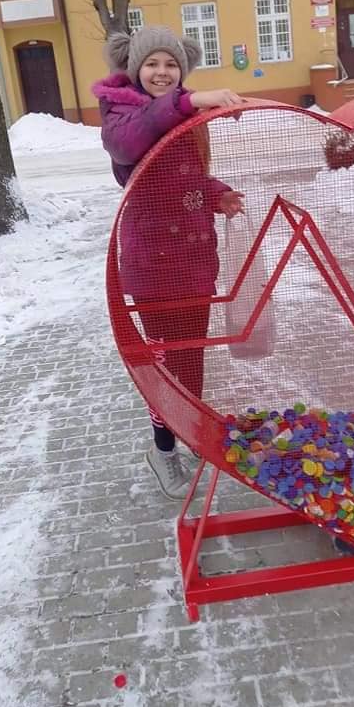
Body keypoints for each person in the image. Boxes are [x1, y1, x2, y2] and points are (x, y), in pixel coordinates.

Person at [93, 25, 245, 499]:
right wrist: (189, 103)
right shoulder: (122, 115)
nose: (162, 72)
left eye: (171, 64)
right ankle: (163, 453)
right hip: (154, 265)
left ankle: (193, 431)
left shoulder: (182, 114)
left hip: (194, 260)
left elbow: (188, 176)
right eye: (152, 63)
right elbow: (129, 148)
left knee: (191, 357)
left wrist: (218, 195)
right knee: (162, 366)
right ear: (134, 68)